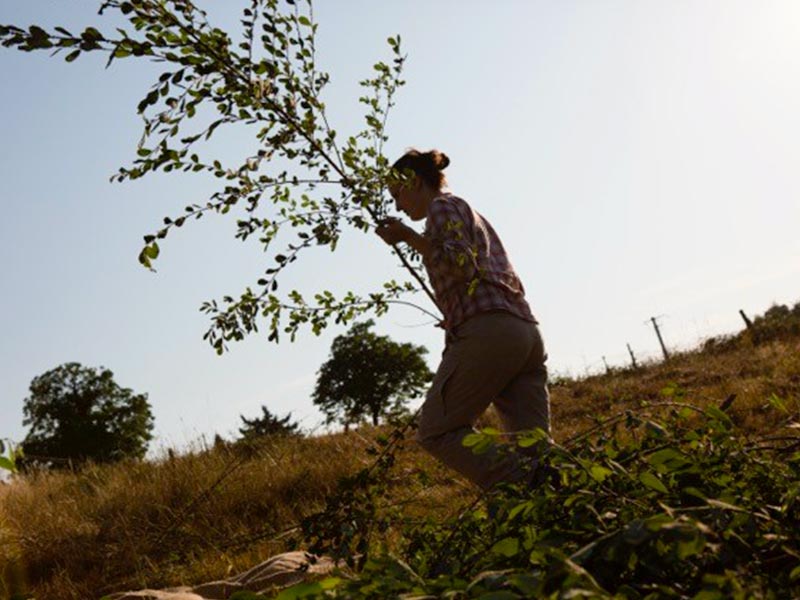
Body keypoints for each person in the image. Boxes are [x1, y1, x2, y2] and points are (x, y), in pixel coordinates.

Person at [375, 149, 550, 490]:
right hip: (523, 332)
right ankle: (557, 505)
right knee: (535, 448)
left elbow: (460, 266)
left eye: (397, 194)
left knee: (436, 431)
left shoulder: (442, 207)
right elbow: (473, 273)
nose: (397, 205)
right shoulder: (465, 210)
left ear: (414, 182)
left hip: (491, 333)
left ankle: (525, 482)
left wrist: (408, 237)